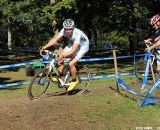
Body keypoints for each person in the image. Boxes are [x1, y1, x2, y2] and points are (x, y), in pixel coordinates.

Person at [41, 19, 89, 91]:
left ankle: (75, 80)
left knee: (71, 63)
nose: (68, 31)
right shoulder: (63, 30)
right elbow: (54, 40)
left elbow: (73, 50)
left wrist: (63, 55)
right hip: (73, 43)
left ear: (73, 28)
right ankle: (60, 76)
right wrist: (45, 47)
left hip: (83, 46)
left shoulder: (77, 34)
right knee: (60, 58)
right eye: (66, 29)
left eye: (70, 29)